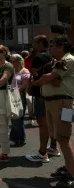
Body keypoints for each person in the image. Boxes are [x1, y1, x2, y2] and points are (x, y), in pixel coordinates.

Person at [33, 37, 74, 187]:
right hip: (52, 102)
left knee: (63, 137)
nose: (50, 48)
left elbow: (47, 77)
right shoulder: (55, 61)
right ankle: (69, 167)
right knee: (58, 136)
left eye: (53, 46)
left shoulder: (68, 59)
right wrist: (46, 79)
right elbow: (48, 78)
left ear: (61, 47)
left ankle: (72, 173)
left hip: (64, 103)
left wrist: (40, 81)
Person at [26, 35, 58, 163]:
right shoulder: (53, 57)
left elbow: (33, 75)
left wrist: (30, 86)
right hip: (52, 93)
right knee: (52, 122)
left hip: (40, 92)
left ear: (40, 43)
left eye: (35, 42)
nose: (33, 44)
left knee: (43, 123)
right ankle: (53, 147)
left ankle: (42, 153)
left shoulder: (38, 57)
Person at [9, 54, 30, 147]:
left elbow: (24, 85)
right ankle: (14, 137)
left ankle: (20, 138)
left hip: (20, 96)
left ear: (19, 61)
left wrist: (15, 91)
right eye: (11, 61)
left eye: (13, 61)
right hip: (12, 95)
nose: (12, 63)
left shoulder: (24, 71)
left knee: (18, 117)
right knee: (13, 117)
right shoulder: (12, 71)